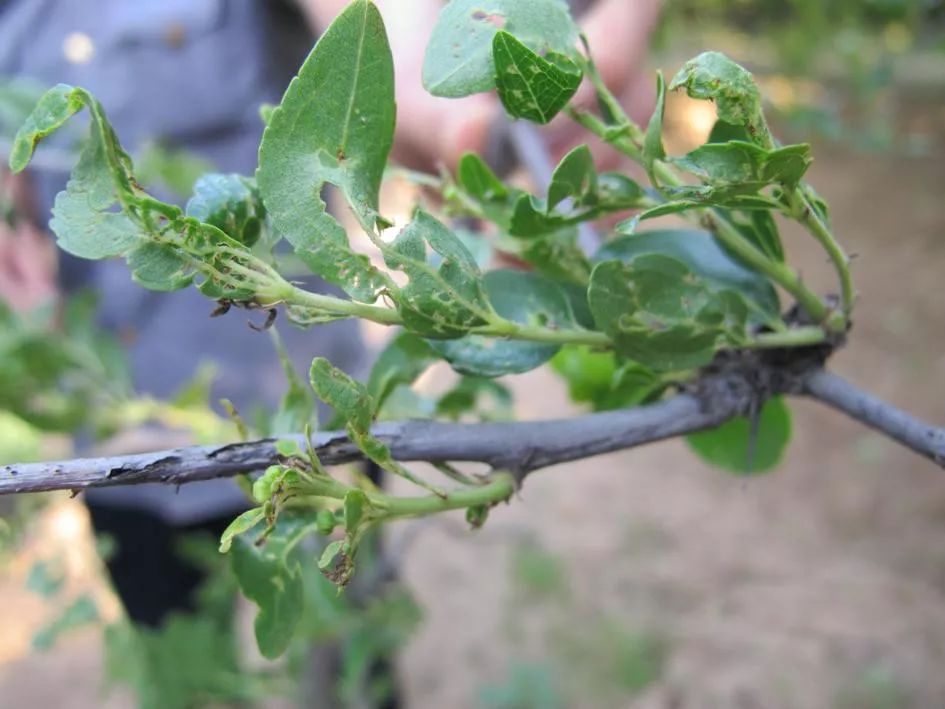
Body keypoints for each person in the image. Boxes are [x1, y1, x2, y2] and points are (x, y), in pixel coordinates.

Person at [0, 0, 660, 629]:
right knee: (178, 657)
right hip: (115, 458)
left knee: (351, 641)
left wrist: (457, 107)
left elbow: (386, 35)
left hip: (310, 437)